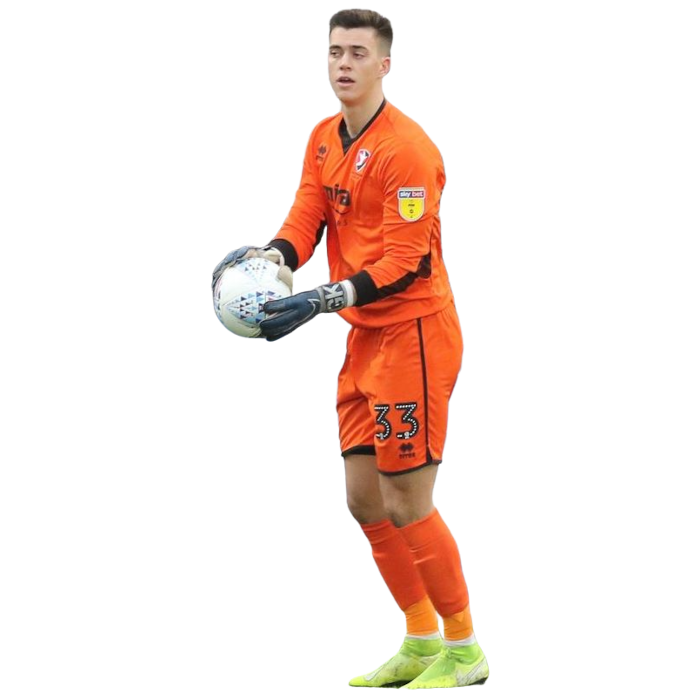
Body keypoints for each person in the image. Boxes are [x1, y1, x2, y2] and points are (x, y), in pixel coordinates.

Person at [212, 7, 489, 690]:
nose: (343, 64)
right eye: (335, 51)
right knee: (365, 502)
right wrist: (270, 259)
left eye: (358, 53)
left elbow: (405, 262)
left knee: (408, 500)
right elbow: (305, 217)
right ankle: (420, 639)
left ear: (385, 64)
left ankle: (466, 651)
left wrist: (318, 299)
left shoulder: (409, 149)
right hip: (365, 337)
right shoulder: (321, 136)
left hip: (415, 334)